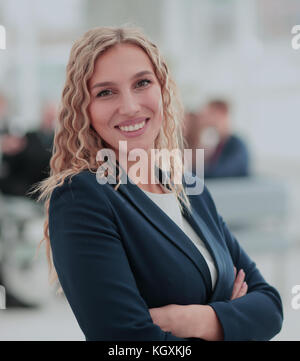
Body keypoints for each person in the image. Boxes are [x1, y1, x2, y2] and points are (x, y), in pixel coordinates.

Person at [35, 27, 283, 341]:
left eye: (142, 83)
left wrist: (198, 320)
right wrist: (233, 321)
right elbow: (128, 343)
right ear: (85, 109)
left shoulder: (190, 190)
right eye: (105, 92)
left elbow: (270, 306)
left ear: (162, 89)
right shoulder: (80, 198)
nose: (129, 106)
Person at [185, 100, 250, 179]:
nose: (204, 120)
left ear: (222, 115)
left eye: (209, 115)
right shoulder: (211, 144)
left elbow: (222, 172)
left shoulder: (236, 146)